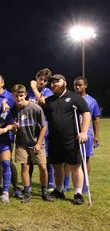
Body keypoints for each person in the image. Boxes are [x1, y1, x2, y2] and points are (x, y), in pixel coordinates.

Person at [41, 74, 90, 205]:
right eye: (52, 82)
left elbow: (86, 113)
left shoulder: (75, 98)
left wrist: (84, 132)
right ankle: (59, 190)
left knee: (75, 166)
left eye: (57, 81)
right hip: (54, 139)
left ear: (65, 83)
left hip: (71, 139)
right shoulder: (49, 100)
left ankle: (78, 193)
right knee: (57, 166)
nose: (54, 84)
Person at [10, 84, 53, 202]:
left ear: (25, 95)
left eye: (21, 95)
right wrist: (14, 128)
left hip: (36, 142)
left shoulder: (35, 108)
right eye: (16, 96)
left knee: (43, 166)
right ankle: (27, 192)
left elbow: (44, 126)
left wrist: (39, 143)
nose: (18, 98)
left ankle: (44, 192)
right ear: (13, 96)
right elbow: (13, 131)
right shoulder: (13, 110)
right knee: (25, 166)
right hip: (22, 143)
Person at [63, 76, 100, 194]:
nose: (77, 87)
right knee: (68, 159)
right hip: (71, 133)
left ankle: (84, 185)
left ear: (86, 86)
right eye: (75, 85)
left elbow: (96, 119)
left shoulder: (92, 101)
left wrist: (96, 135)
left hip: (86, 134)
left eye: (80, 85)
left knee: (85, 159)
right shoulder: (69, 99)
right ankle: (66, 184)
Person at [28, 68, 55, 191]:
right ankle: (27, 183)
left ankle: (50, 182)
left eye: (45, 80)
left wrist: (34, 88)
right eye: (40, 79)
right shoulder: (28, 92)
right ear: (36, 78)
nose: (42, 82)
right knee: (29, 157)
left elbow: (43, 102)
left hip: (44, 128)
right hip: (30, 129)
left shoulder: (48, 91)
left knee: (47, 157)